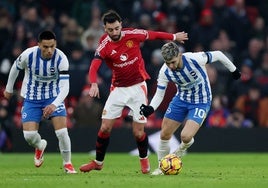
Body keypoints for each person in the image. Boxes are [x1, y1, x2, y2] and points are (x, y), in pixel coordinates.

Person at [79, 10, 188, 174]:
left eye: (116, 28)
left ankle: (144, 161)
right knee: (105, 128)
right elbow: (95, 64)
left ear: (121, 25)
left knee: (138, 132)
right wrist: (93, 83)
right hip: (118, 89)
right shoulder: (104, 44)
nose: (114, 32)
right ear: (105, 28)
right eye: (110, 30)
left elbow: (154, 34)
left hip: (138, 88)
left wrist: (174, 37)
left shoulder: (133, 34)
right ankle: (98, 162)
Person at [139, 42, 241, 175]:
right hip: (181, 100)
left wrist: (234, 70)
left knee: (185, 136)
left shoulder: (194, 59)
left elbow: (219, 54)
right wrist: (151, 108)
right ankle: (161, 166)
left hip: (201, 101)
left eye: (173, 62)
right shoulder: (165, 71)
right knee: (164, 133)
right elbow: (160, 93)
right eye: (167, 62)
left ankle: (179, 151)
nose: (171, 65)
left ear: (180, 55)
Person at [3, 30, 77, 173]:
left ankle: (67, 163)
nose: (49, 50)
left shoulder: (61, 59)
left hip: (54, 97)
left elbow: (65, 87)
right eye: (45, 47)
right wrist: (9, 88)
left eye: (52, 46)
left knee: (62, 132)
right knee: (29, 136)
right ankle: (40, 146)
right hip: (32, 98)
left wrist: (54, 104)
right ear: (38, 45)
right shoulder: (28, 55)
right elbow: (14, 68)